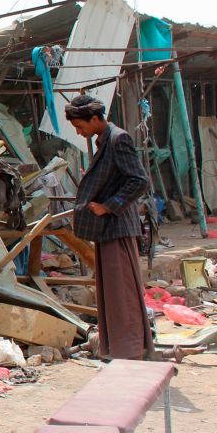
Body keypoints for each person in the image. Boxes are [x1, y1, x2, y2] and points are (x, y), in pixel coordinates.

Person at [65, 93, 153, 360]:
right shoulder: (104, 140)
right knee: (112, 293)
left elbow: (139, 181)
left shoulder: (118, 139)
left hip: (117, 227)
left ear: (94, 119)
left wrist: (108, 206)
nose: (80, 133)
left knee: (122, 292)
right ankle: (120, 348)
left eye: (81, 127)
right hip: (107, 230)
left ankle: (131, 349)